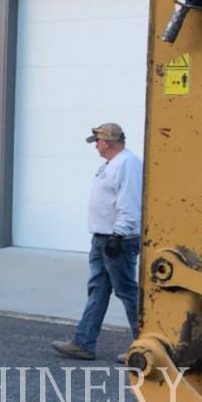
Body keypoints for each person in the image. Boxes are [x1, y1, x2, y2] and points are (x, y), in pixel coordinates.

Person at [52, 122, 142, 361]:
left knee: (127, 292)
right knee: (98, 291)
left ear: (107, 142)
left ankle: (147, 346)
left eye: (97, 142)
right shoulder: (112, 164)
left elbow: (129, 201)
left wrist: (119, 234)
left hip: (117, 239)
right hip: (104, 238)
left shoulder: (127, 163)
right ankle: (83, 343)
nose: (96, 147)